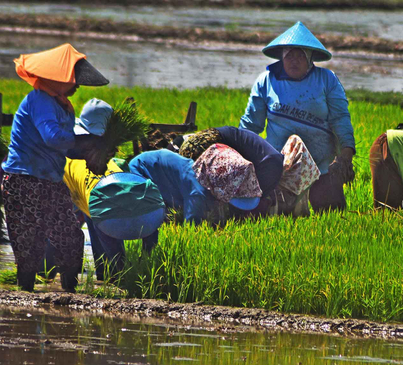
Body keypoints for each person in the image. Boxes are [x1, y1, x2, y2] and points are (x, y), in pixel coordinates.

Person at [0, 43, 109, 292]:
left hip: (50, 179)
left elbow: (64, 147)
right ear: (60, 79)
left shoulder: (63, 105)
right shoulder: (39, 100)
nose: (78, 86)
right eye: (75, 80)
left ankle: (70, 292)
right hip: (23, 180)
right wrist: (87, 141)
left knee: (69, 235)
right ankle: (24, 294)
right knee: (30, 242)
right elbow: (53, 138)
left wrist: (89, 155)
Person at [239, 21, 356, 212]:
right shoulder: (266, 81)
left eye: (300, 55)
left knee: (331, 211)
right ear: (281, 58)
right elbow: (251, 125)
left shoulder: (327, 80)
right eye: (289, 55)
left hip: (322, 167)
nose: (294, 60)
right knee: (280, 214)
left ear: (310, 58)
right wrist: (238, 153)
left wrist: (346, 154)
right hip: (280, 168)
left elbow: (340, 118)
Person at [128, 146, 262, 227]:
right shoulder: (197, 194)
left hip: (158, 165)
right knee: (154, 218)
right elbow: (191, 228)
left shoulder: (208, 176)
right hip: (142, 170)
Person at [179, 126, 283, 214]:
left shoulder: (218, 150)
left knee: (247, 202)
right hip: (270, 159)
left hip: (268, 163)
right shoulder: (216, 138)